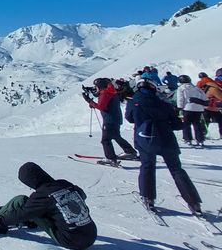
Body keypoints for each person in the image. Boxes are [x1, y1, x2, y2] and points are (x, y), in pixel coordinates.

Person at [125, 76, 202, 214]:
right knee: (176, 169)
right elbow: (177, 124)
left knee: (147, 166)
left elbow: (130, 119)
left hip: (145, 138)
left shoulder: (134, 102)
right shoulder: (163, 103)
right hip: (166, 138)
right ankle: (194, 201)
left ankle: (148, 197)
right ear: (154, 87)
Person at [0, 162, 97, 250]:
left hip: (70, 241)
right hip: (91, 235)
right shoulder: (64, 184)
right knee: (49, 206)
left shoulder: (43, 194)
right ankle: (34, 219)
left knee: (21, 201)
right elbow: (82, 195)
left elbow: (22, 213)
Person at [82, 77, 137, 165]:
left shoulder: (105, 93)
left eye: (96, 86)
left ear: (99, 86)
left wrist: (89, 100)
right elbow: (104, 104)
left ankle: (110, 158)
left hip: (109, 120)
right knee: (116, 136)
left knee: (105, 140)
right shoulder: (110, 92)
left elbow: (101, 107)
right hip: (115, 118)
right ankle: (130, 152)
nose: (95, 87)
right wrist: (93, 103)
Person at [176, 74, 207, 147]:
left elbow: (180, 98)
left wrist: (179, 107)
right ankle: (200, 140)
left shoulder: (181, 88)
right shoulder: (197, 88)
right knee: (197, 124)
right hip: (198, 109)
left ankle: (188, 139)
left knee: (186, 124)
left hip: (187, 108)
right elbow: (204, 98)